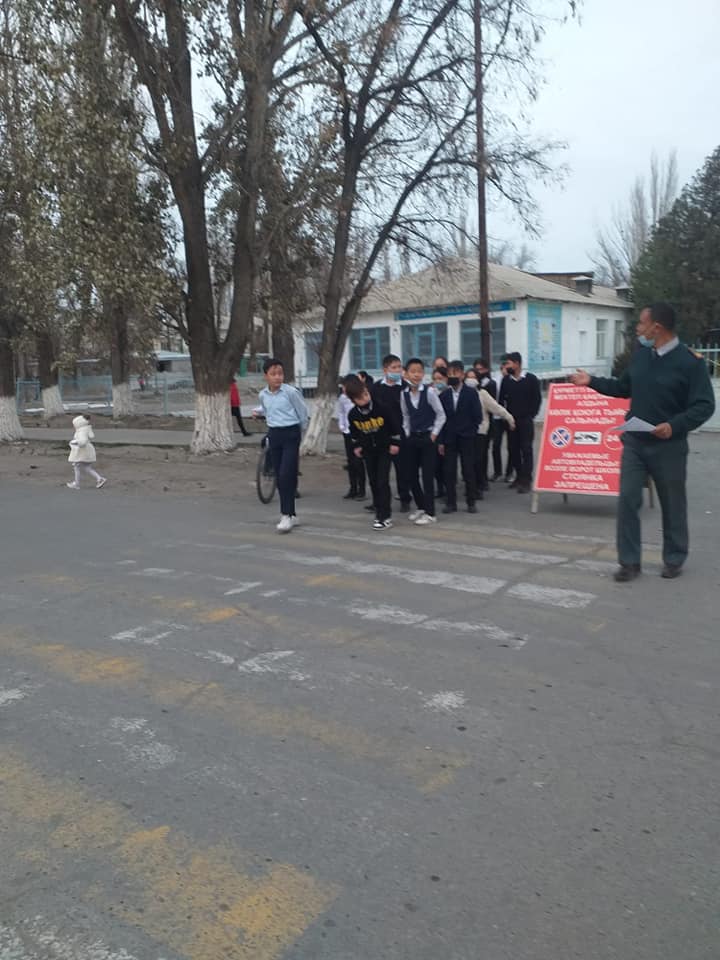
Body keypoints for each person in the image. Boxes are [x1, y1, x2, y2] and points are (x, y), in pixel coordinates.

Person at [570, 302, 715, 581]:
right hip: (635, 443)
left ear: (656, 328)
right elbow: (621, 387)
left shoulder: (690, 363)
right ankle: (629, 562)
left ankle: (674, 558)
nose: (638, 328)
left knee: (672, 504)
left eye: (641, 323)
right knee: (627, 499)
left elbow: (704, 405)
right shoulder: (641, 357)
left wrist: (674, 426)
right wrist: (591, 381)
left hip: (669, 446)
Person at [253, 358, 308, 533]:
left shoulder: (291, 392)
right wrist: (258, 412)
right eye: (273, 374)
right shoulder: (263, 395)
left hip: (291, 434)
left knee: (285, 474)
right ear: (266, 376)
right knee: (280, 475)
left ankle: (286, 515)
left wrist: (301, 433)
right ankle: (292, 514)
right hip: (274, 434)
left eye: (280, 374)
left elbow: (302, 413)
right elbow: (267, 409)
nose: (277, 377)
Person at [346, 374, 401, 530]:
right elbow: (354, 433)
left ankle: (385, 516)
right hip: (368, 451)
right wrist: (357, 446)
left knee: (383, 481)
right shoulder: (353, 415)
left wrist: (395, 443)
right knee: (374, 481)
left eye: (366, 394)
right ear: (353, 400)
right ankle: (378, 509)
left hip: (384, 449)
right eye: (360, 398)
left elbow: (394, 426)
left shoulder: (381, 408)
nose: (365, 399)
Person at [401, 357, 446, 525]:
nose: (416, 375)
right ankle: (421, 506)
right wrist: (407, 433)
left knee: (427, 476)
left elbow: (441, 415)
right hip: (413, 438)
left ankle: (430, 513)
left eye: (419, 371)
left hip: (427, 438)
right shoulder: (404, 394)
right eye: (413, 371)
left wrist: (433, 434)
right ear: (406, 374)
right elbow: (405, 416)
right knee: (411, 475)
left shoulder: (430, 392)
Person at [438, 360, 483, 513]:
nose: (452, 376)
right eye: (450, 373)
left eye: (455, 373)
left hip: (467, 437)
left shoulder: (471, 393)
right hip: (449, 438)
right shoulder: (444, 395)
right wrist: (441, 441)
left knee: (468, 469)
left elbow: (477, 416)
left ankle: (471, 502)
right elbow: (441, 419)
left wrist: (471, 431)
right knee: (449, 471)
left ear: (462, 375)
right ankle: (451, 503)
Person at [463, 369, 516, 495]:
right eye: (468, 377)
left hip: (480, 432)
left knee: (478, 460)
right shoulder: (461, 394)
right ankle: (471, 487)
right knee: (467, 462)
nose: (470, 380)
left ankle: (479, 485)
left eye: (473, 377)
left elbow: (496, 408)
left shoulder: (482, 394)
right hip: (465, 432)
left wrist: (509, 418)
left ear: (478, 380)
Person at [371, 354, 411, 511]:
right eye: (394, 367)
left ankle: (405, 498)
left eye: (399, 367)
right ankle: (379, 502)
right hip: (381, 435)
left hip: (401, 434)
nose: (397, 370)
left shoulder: (406, 387)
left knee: (403, 470)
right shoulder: (376, 388)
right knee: (380, 473)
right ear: (385, 370)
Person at [499, 352, 541, 494]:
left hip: (526, 421)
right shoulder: (506, 380)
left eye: (508, 363)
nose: (506, 366)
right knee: (513, 449)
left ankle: (526, 479)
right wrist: (506, 417)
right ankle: (518, 476)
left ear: (517, 363)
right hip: (511, 421)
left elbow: (537, 399)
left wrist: (531, 415)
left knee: (526, 449)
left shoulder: (531, 379)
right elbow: (501, 401)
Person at [336, 382, 366, 500]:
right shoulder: (343, 398)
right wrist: (342, 426)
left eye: (345, 386)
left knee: (358, 462)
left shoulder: (360, 397)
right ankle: (353, 488)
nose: (343, 389)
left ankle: (361, 489)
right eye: (343, 387)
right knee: (351, 462)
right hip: (348, 432)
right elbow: (341, 412)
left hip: (359, 433)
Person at [66, 414, 107, 490]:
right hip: (87, 450)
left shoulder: (81, 431)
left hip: (83, 451)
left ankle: (77, 484)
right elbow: (89, 438)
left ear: (79, 423)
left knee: (77, 466)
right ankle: (99, 479)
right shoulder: (85, 429)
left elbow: (82, 442)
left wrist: (74, 442)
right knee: (86, 467)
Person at [431, 365, 449, 499]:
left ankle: (449, 489)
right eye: (435, 379)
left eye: (440, 378)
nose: (438, 381)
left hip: (448, 432)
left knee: (447, 465)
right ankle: (440, 488)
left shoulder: (449, 393)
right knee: (436, 464)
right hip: (435, 432)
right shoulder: (431, 393)